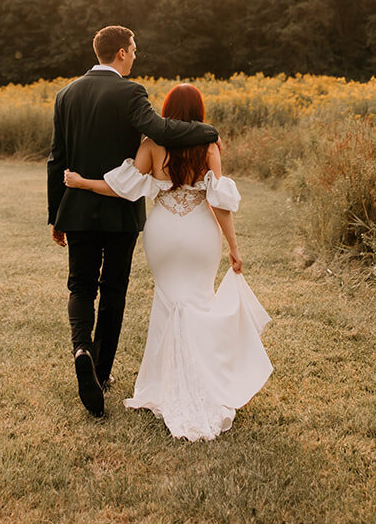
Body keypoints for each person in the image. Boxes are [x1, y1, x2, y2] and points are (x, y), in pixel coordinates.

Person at [64, 82, 272, 441]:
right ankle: (206, 382)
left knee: (169, 301)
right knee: (199, 300)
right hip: (199, 232)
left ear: (168, 109)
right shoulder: (209, 144)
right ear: (199, 111)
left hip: (162, 231)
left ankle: (163, 384)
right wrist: (234, 248)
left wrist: (83, 183)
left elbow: (122, 187)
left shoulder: (152, 144)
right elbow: (219, 201)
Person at [48, 26, 218, 418]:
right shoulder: (131, 92)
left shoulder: (66, 94)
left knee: (80, 285)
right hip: (119, 212)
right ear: (122, 53)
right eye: (134, 50)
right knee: (113, 290)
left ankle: (81, 348)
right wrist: (207, 131)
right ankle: (102, 372)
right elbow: (159, 130)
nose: (136, 56)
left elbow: (56, 160)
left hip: (75, 208)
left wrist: (56, 215)